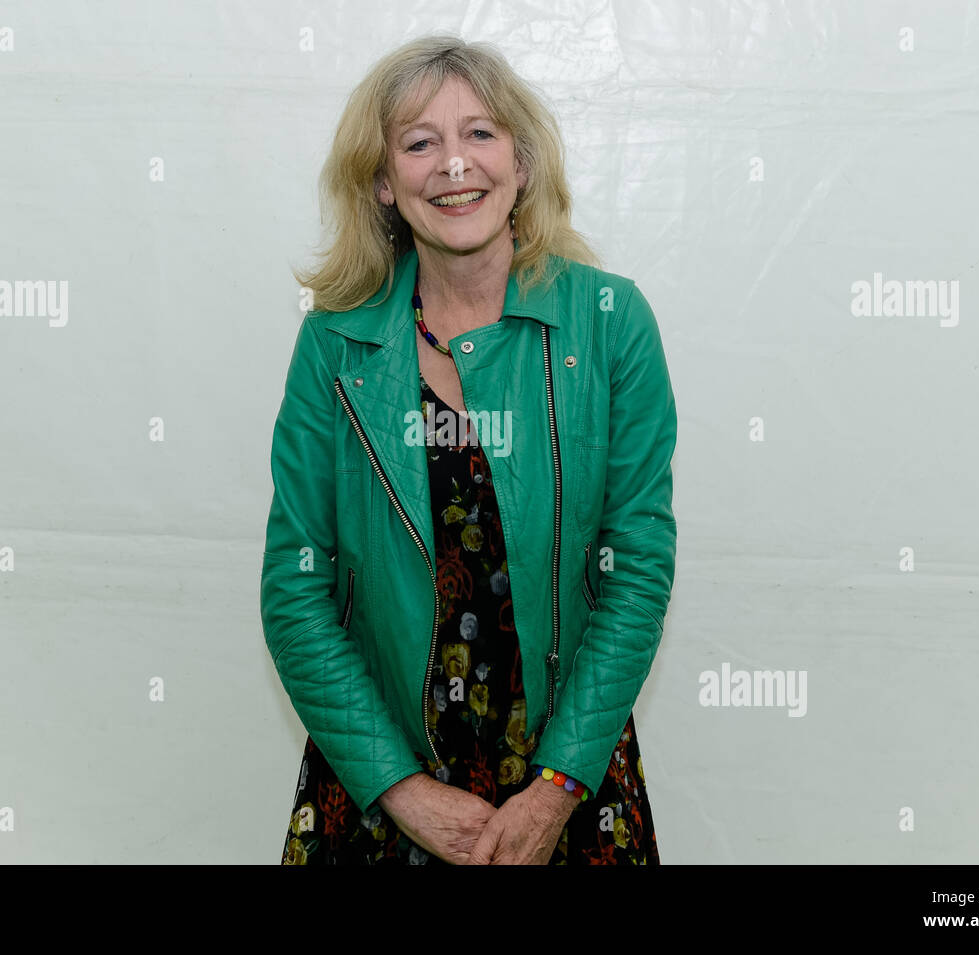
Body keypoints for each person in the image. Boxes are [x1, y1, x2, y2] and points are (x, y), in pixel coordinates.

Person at [261, 34, 678, 865]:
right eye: (420, 143)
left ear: (520, 163)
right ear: (384, 183)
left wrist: (556, 786)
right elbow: (295, 594)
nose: (455, 164)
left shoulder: (609, 323)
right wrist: (401, 789)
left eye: (480, 134)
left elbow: (637, 568)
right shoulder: (333, 349)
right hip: (380, 788)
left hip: (568, 783)